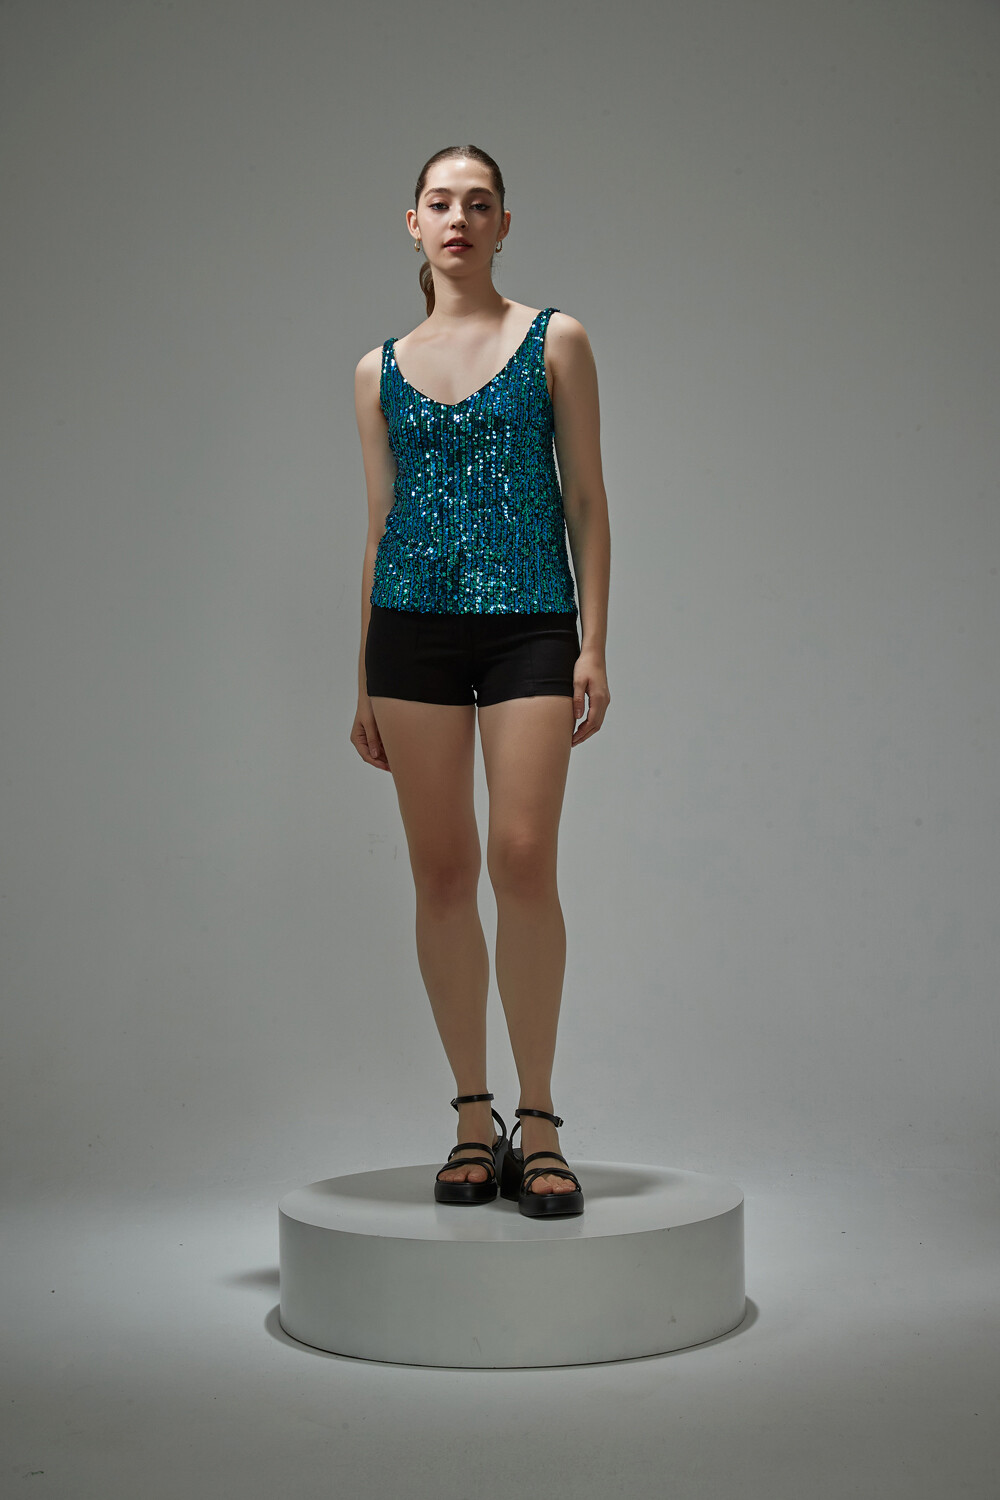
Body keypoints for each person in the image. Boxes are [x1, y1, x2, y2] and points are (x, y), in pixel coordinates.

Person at [351, 144, 610, 1219]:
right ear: (411, 223)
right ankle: (472, 1116)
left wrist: (595, 643)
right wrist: (360, 674)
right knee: (444, 873)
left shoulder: (555, 339)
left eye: (479, 202)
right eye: (440, 202)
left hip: (530, 627)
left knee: (522, 856)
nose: (459, 217)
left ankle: (539, 1121)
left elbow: (586, 499)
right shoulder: (376, 369)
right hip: (409, 634)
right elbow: (380, 523)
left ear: (505, 224)